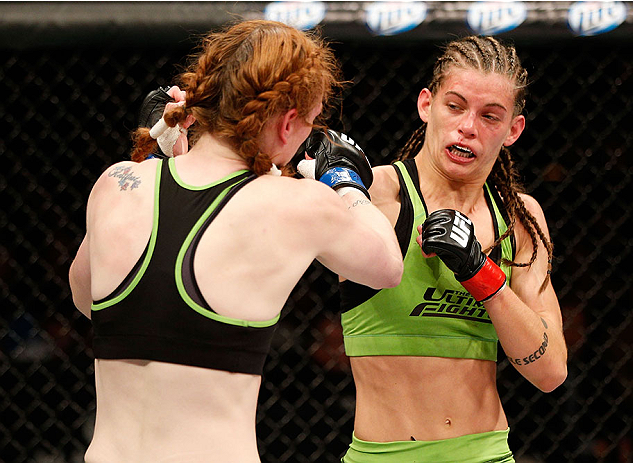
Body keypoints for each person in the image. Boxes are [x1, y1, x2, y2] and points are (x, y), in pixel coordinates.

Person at [68, 20, 403, 463]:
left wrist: (168, 155)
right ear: (287, 124)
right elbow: (386, 266)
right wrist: (345, 182)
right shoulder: (297, 203)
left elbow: (86, 298)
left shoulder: (118, 181)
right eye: (311, 121)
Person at [338, 35, 568, 462]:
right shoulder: (371, 194)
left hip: (487, 454)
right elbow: (257, 217)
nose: (468, 127)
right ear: (427, 105)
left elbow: (551, 370)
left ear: (513, 129)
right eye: (455, 106)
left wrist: (483, 274)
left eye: (490, 116)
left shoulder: (519, 219)